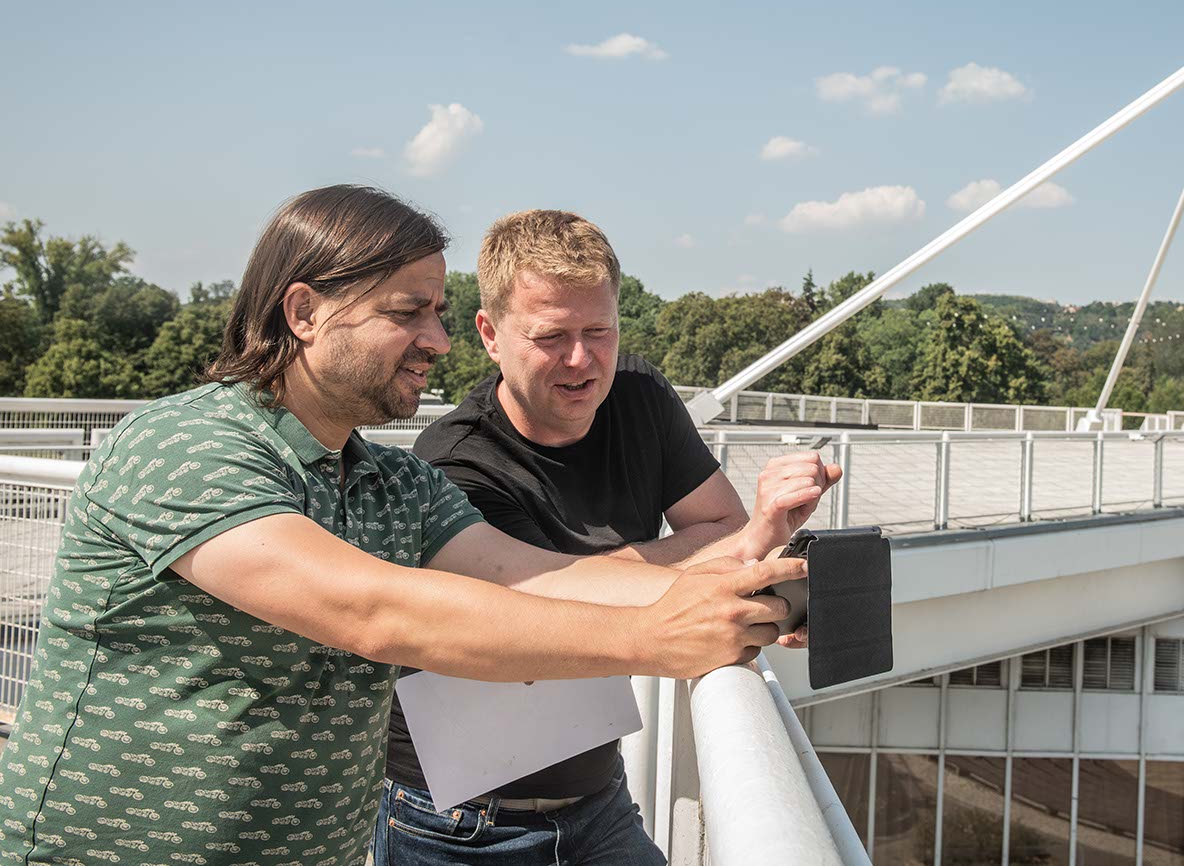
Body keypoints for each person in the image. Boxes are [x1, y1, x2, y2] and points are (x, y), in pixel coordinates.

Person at [0, 186, 801, 866]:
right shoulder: (188, 446)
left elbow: (537, 574)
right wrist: (655, 637)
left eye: (440, 312)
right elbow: (376, 611)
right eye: (407, 312)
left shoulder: (394, 482)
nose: (439, 342)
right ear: (305, 311)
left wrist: (737, 586)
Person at [376, 209, 840, 866]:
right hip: (460, 824)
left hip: (597, 795)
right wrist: (740, 549)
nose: (582, 359)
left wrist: (749, 548)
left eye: (600, 330)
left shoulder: (638, 394)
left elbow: (718, 528)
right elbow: (552, 613)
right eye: (552, 336)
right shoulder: (453, 465)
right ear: (489, 334)